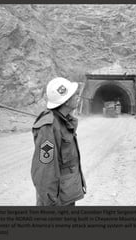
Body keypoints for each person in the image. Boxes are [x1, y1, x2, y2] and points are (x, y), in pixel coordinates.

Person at [31, 77, 86, 206]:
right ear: (66, 101)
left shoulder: (64, 121)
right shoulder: (48, 127)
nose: (77, 97)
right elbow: (44, 169)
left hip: (65, 196)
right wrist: (51, 202)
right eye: (74, 95)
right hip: (55, 201)